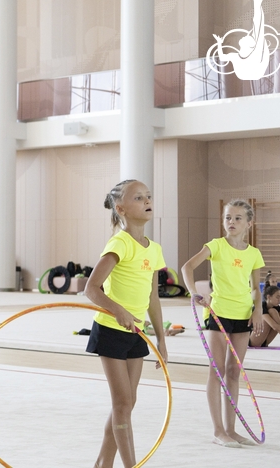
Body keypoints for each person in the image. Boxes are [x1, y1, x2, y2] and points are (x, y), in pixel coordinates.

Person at [83, 179, 168, 468]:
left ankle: (102, 464)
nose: (147, 200)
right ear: (121, 208)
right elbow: (91, 289)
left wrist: (161, 340)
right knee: (122, 405)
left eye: (148, 196)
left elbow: (153, 299)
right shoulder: (120, 242)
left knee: (127, 405)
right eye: (138, 197)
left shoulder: (154, 249)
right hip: (111, 330)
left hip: (138, 333)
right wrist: (117, 309)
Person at [181, 199, 265, 448]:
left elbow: (256, 288)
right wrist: (193, 291)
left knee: (233, 372)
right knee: (216, 371)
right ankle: (218, 430)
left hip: (243, 315)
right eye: (228, 217)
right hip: (218, 314)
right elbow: (188, 267)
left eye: (238, 218)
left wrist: (257, 309)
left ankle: (231, 429)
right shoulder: (215, 245)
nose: (232, 222)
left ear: (249, 223)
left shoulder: (254, 253)